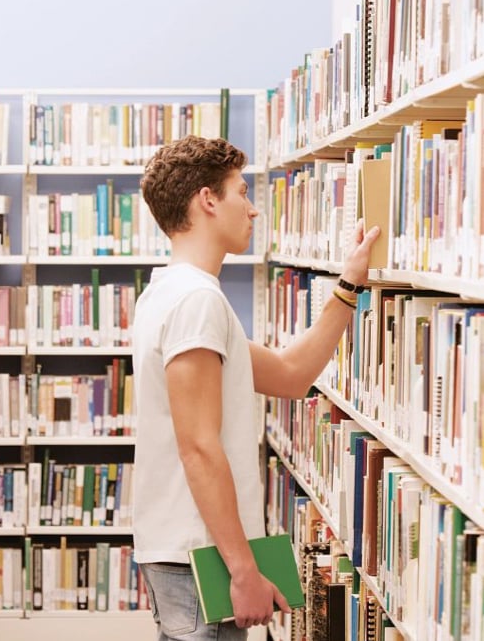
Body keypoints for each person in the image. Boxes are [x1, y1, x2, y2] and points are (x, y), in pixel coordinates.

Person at [132, 135, 379, 640]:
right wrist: (243, 571)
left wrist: (348, 285)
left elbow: (290, 374)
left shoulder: (172, 294)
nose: (253, 210)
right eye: (241, 192)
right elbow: (199, 448)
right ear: (207, 200)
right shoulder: (195, 302)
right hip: (202, 558)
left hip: (192, 553)